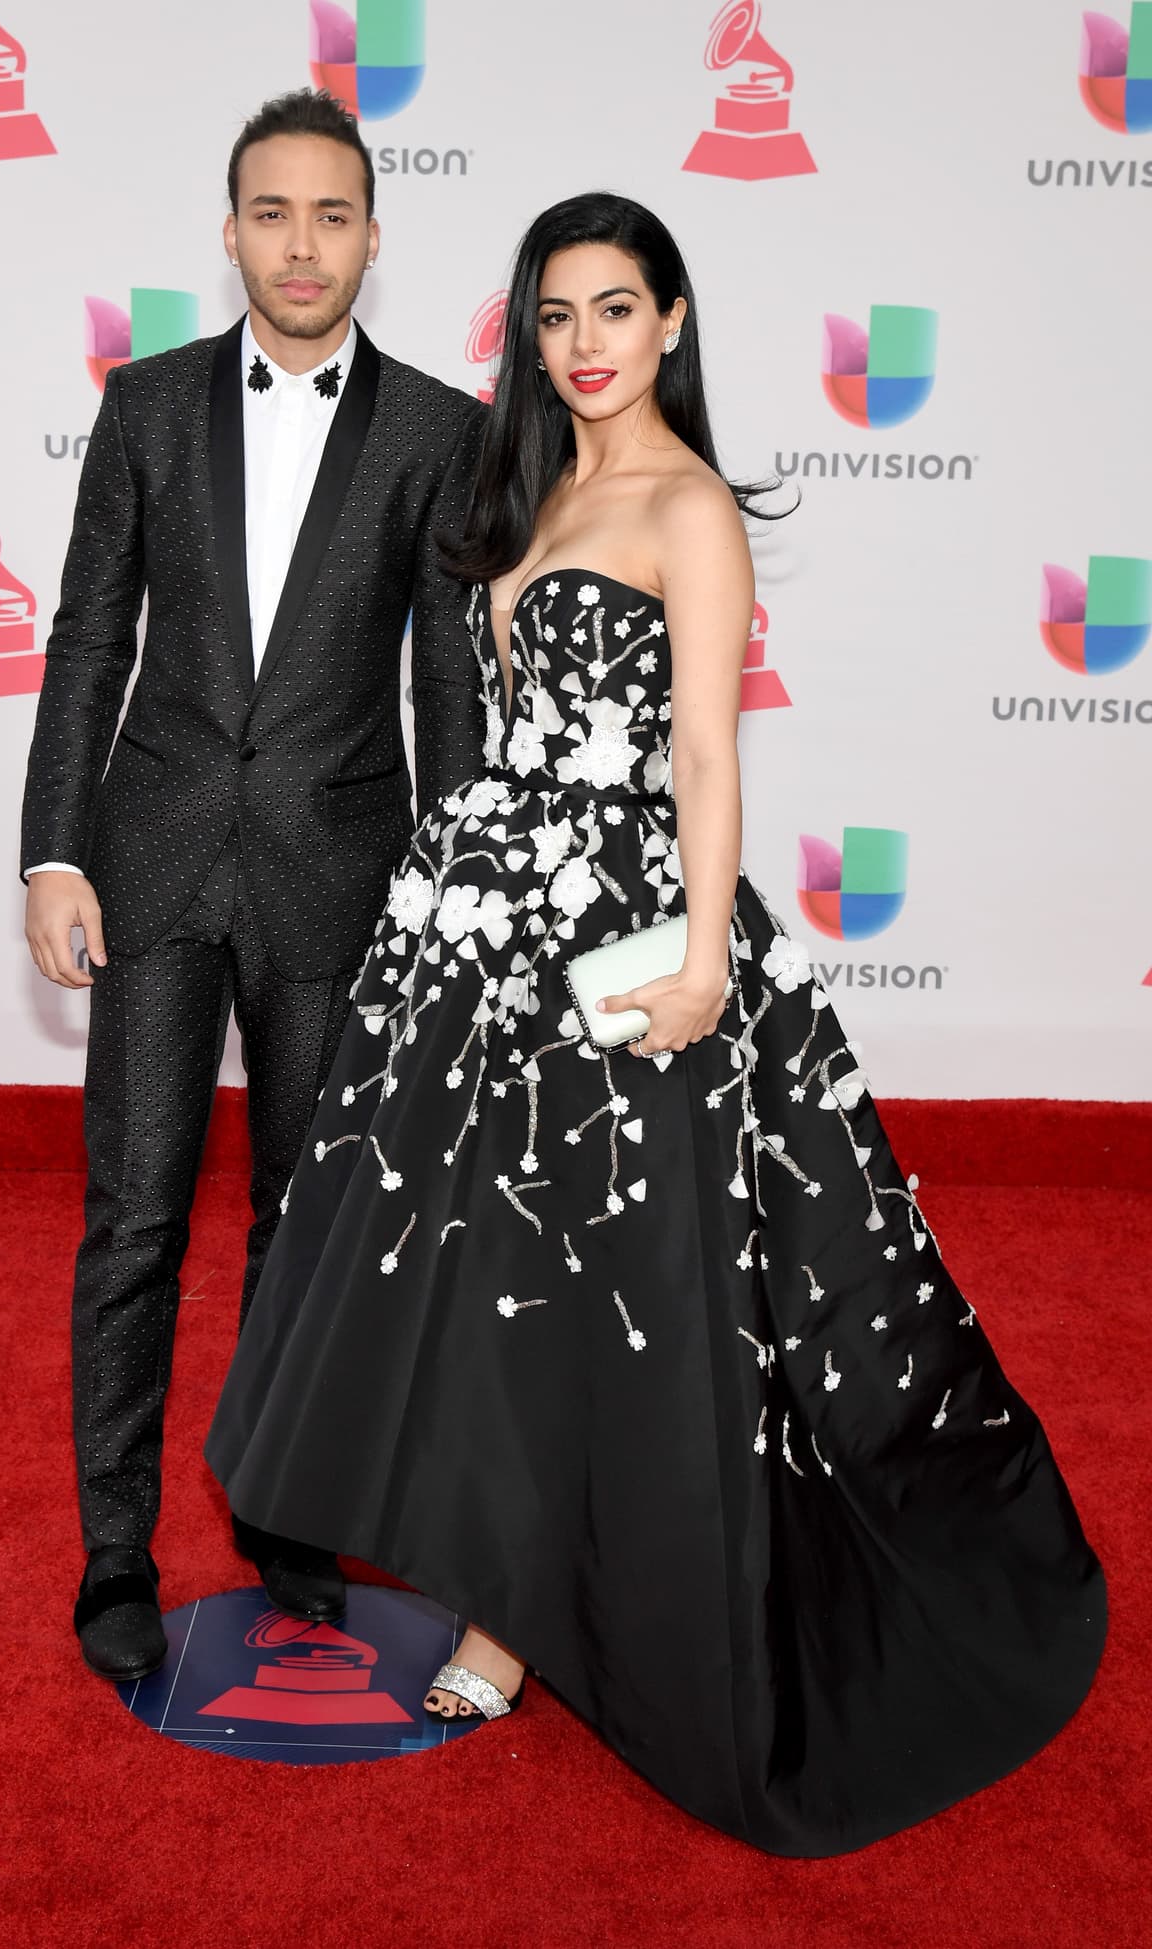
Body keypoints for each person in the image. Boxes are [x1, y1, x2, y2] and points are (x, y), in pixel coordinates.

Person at [204, 193, 1106, 1855]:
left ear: (673, 322)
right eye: (556, 316)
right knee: (483, 1273)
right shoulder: (539, 486)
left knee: (603, 1285)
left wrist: (701, 957)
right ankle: (506, 1579)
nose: (585, 344)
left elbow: (705, 755)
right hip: (486, 919)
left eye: (616, 310)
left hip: (627, 934)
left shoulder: (691, 507)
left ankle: (524, 1617)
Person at [20, 90, 485, 1684]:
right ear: (229, 233)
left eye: (331, 215)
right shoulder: (145, 405)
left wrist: (452, 892)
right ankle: (113, 1554)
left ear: (373, 235)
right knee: (135, 1219)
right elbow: (89, 637)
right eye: (271, 214)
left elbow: (450, 692)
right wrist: (55, 847)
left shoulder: (438, 431)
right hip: (151, 864)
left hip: (342, 878)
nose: (301, 244)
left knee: (310, 1223)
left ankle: (288, 1516)